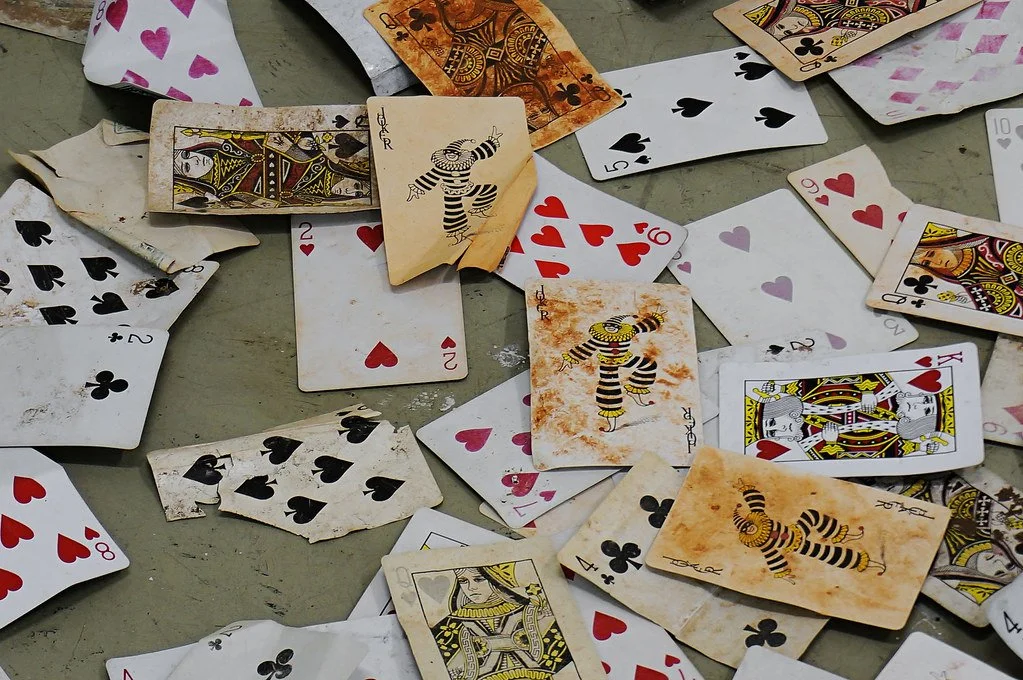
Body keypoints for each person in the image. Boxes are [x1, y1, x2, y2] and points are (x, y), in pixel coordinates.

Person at [430, 564, 573, 680]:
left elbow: (560, 655)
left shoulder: (530, 609)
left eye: (478, 579)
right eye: (463, 581)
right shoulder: (453, 622)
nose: (471, 587)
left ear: (495, 579)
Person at [171, 128, 371, 210]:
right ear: (187, 177)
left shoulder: (233, 144)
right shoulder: (222, 193)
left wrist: (301, 143)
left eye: (188, 154)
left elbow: (281, 141)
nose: (196, 160)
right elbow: (266, 203)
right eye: (187, 166)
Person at [731, 479, 886, 582]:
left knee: (811, 515)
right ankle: (860, 561)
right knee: (824, 552)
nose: (749, 528)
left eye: (747, 524)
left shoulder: (760, 517)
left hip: (797, 531)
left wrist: (746, 490)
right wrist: (782, 573)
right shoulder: (763, 542)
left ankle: (839, 534)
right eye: (745, 529)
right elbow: (772, 556)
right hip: (797, 546)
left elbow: (756, 502)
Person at [558, 311, 664, 433]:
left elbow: (645, 326)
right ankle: (611, 422)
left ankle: (635, 391)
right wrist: (571, 358)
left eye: (614, 327)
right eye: (608, 327)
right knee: (609, 390)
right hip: (607, 364)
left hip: (625, 359)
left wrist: (656, 318)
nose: (611, 329)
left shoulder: (628, 332)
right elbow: (586, 348)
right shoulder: (599, 338)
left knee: (649, 365)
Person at [905, 223, 1023, 318]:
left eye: (932, 253)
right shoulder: (968, 283)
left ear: (947, 244)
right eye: (927, 263)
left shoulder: (996, 244)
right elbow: (1003, 314)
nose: (937, 262)